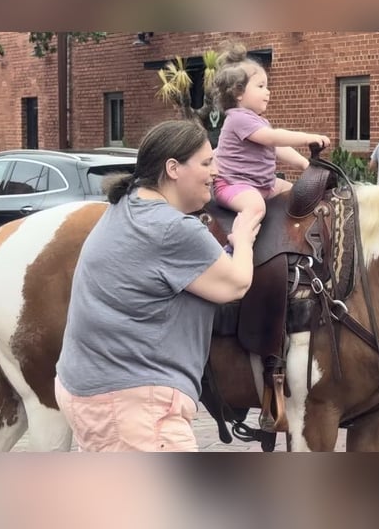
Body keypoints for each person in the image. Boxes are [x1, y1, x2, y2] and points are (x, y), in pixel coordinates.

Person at [54, 120, 262, 452]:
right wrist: (244, 236)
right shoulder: (172, 228)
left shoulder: (127, 205)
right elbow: (235, 285)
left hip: (91, 389)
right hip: (134, 405)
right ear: (173, 168)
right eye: (207, 163)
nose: (216, 171)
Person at [212, 43, 330, 222]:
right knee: (255, 207)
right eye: (260, 86)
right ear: (238, 93)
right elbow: (274, 138)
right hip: (234, 185)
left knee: (297, 195)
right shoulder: (238, 119)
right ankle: (238, 242)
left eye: (267, 86)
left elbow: (276, 147)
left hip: (265, 185)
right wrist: (307, 138)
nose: (268, 91)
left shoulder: (257, 121)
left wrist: (304, 165)